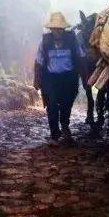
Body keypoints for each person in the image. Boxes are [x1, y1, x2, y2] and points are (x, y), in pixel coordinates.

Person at [33, 12, 89, 142]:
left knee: (66, 104)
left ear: (64, 29)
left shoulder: (72, 40)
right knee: (51, 106)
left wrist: (85, 76)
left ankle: (64, 125)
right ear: (51, 29)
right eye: (55, 29)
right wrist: (36, 79)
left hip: (68, 78)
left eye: (60, 29)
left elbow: (80, 58)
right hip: (50, 79)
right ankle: (55, 133)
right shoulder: (45, 42)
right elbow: (38, 62)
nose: (57, 31)